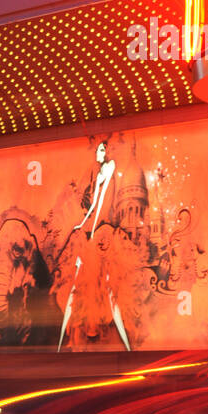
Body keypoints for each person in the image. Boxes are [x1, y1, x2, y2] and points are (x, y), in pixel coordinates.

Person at [57, 141, 133, 352]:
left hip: (103, 228)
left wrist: (92, 228)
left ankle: (127, 346)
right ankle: (62, 341)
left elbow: (101, 203)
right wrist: (83, 224)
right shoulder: (100, 172)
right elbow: (94, 205)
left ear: (107, 151)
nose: (98, 153)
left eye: (101, 149)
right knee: (77, 287)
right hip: (94, 228)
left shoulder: (109, 168)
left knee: (108, 289)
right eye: (98, 149)